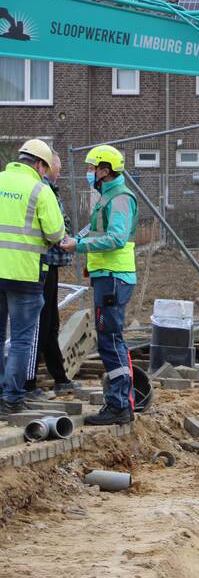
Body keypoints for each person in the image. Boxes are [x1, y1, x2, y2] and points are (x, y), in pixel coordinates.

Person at [61, 145, 137, 425]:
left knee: (111, 339)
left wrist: (79, 245)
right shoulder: (108, 196)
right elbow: (98, 231)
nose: (90, 173)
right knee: (110, 338)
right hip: (108, 276)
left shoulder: (118, 198)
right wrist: (75, 239)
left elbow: (116, 238)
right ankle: (119, 404)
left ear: (105, 170)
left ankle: (119, 406)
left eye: (93, 168)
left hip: (113, 277)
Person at [0, 140, 66, 415]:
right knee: (21, 339)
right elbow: (56, 233)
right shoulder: (40, 189)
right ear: (40, 164)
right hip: (24, 275)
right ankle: (12, 397)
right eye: (46, 167)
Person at [26, 153, 78, 399]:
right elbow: (56, 228)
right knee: (42, 323)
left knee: (50, 323)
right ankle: (29, 382)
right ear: (45, 167)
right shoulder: (44, 190)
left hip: (47, 265)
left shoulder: (47, 189)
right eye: (58, 168)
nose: (60, 172)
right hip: (42, 265)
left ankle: (59, 378)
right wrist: (67, 237)